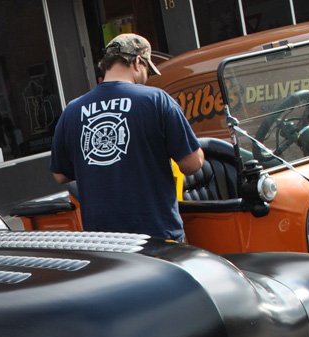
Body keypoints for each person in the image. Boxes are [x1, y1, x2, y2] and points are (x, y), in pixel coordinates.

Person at [50, 33, 203, 240]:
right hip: (157, 235)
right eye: (147, 69)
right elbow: (192, 164)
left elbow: (60, 174)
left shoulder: (72, 110)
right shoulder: (156, 100)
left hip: (105, 242)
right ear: (138, 61)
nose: (147, 76)